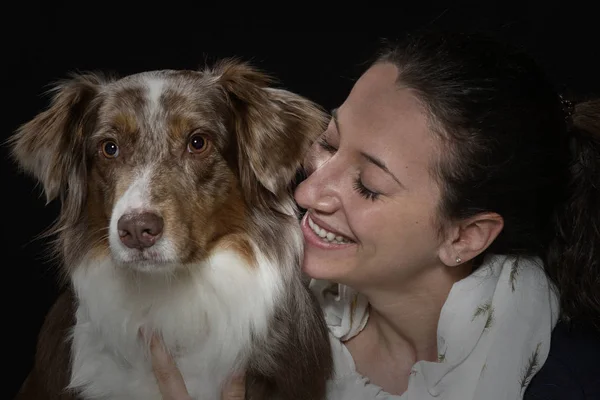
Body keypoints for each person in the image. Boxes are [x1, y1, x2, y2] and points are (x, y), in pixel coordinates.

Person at [148, 30, 600, 399]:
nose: (307, 192)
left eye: (368, 185)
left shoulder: (567, 379)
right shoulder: (244, 323)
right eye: (328, 143)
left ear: (465, 237)